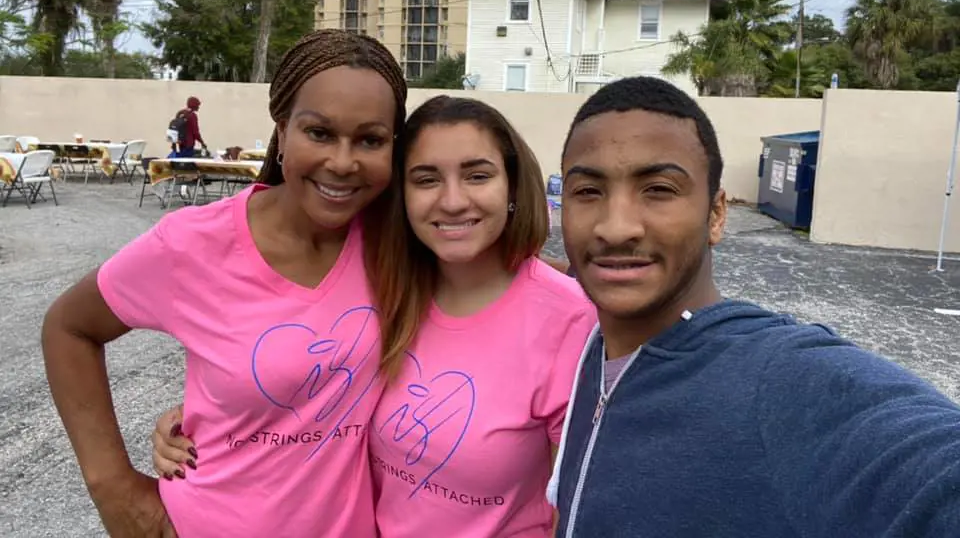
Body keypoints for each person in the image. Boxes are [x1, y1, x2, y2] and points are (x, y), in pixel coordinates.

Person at [151, 96, 596, 537]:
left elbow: (583, 503)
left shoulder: (567, 318)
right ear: (401, 197)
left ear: (514, 187)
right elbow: (298, 382)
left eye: (477, 175)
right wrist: (198, 422)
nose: (453, 201)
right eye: (426, 180)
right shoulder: (384, 288)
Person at [547, 76, 960, 537]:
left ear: (716, 214)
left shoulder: (781, 380)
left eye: (659, 189)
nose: (615, 227)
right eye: (588, 192)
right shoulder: (600, 349)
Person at [41, 30, 408, 538]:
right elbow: (69, 328)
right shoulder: (193, 244)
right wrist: (115, 487)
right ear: (281, 129)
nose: (343, 162)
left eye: (370, 139)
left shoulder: (400, 248)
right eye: (319, 133)